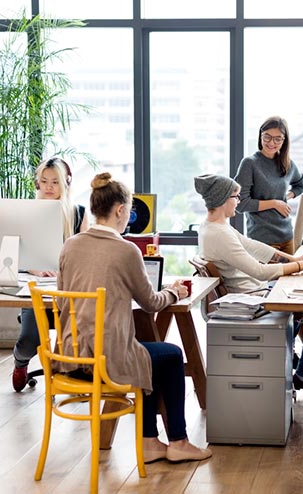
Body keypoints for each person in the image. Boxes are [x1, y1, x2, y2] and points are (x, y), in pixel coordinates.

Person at [56, 172, 211, 463]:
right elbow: (151, 303)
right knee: (170, 354)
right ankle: (178, 441)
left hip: (71, 356)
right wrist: (174, 292)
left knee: (144, 352)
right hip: (106, 361)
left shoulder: (70, 245)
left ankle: (151, 441)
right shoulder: (126, 250)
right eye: (129, 211)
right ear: (119, 210)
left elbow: (64, 296)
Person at [194, 174, 303, 392]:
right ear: (224, 199)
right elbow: (260, 271)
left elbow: (254, 247)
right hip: (252, 297)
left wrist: (294, 259)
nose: (238, 201)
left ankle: (292, 357)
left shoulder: (214, 227)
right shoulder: (219, 234)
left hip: (256, 290)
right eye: (236, 197)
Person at [12, 157, 89, 391]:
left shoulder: (78, 213)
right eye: (44, 181)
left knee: (82, 334)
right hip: (36, 288)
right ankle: (20, 362)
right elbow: (13, 253)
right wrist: (31, 267)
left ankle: (77, 377)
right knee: (29, 340)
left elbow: (86, 254)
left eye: (55, 182)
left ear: (65, 184)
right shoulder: (27, 212)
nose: (48, 187)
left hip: (68, 291)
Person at [234, 116, 303, 254]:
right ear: (261, 135)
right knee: (269, 276)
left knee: (293, 276)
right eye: (267, 137)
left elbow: (301, 185)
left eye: (277, 139)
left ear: (284, 140)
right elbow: (241, 203)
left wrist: (286, 197)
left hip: (287, 237)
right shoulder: (250, 164)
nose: (271, 142)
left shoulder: (287, 164)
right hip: (262, 240)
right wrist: (274, 203)